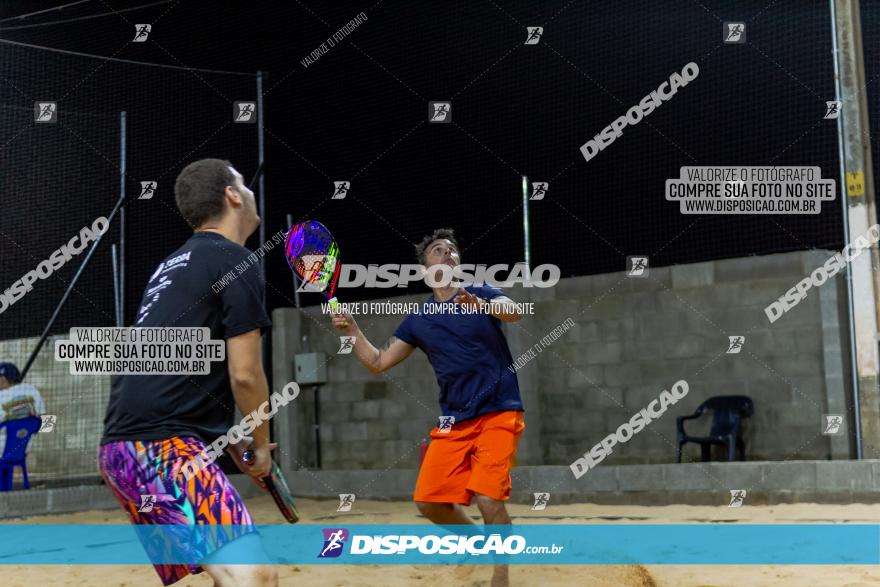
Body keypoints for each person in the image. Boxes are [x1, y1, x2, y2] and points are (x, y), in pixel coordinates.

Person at [100, 158, 277, 586]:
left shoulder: (170, 267)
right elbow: (245, 376)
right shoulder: (235, 260)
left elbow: (170, 378)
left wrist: (220, 438)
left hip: (121, 451)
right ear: (233, 196)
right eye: (243, 185)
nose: (251, 193)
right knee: (253, 577)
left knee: (228, 574)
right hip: (163, 448)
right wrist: (261, 446)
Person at [331, 228, 525, 587]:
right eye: (438, 250)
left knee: (486, 497)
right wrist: (352, 330)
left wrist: (481, 304)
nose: (448, 254)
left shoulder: (480, 293)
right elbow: (377, 362)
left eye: (452, 250)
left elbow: (514, 313)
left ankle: (501, 577)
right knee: (428, 502)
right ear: (425, 270)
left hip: (499, 411)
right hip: (454, 422)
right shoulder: (418, 320)